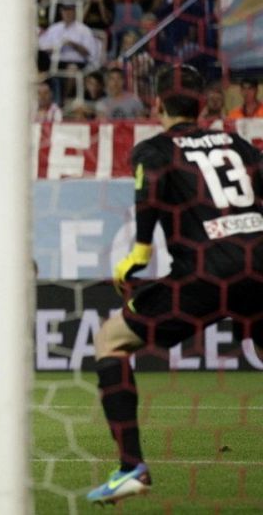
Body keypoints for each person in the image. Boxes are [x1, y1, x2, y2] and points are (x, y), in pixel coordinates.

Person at [87, 65, 263, 505]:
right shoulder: (238, 143)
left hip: (207, 271)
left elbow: (149, 195)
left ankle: (132, 468)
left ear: (157, 104)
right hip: (259, 263)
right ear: (202, 104)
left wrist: (140, 252)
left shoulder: (155, 149)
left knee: (111, 339)